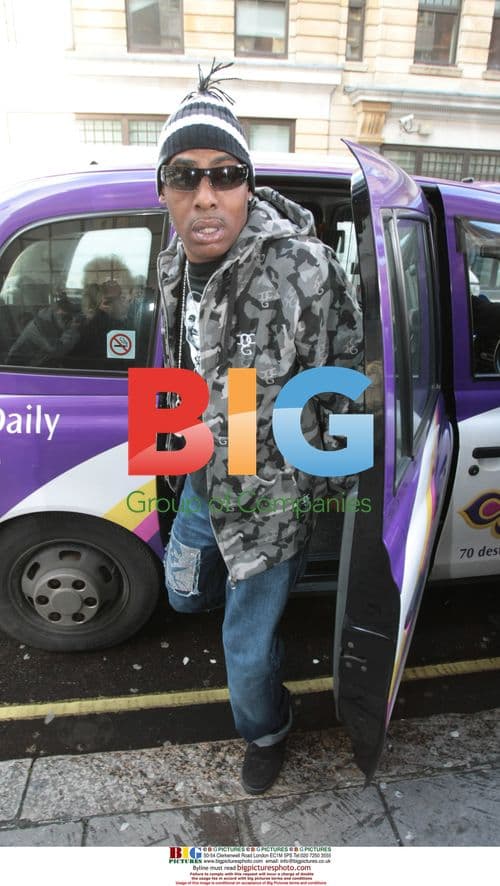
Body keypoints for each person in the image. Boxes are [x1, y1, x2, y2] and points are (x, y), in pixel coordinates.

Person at [156, 60, 363, 794]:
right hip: (201, 479)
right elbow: (177, 366)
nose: (205, 195)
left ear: (248, 182)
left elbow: (343, 381)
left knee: (243, 648)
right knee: (180, 592)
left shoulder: (305, 268)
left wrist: (333, 492)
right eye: (185, 177)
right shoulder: (173, 261)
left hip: (268, 499)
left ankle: (268, 728)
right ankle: (249, 599)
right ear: (165, 192)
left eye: (225, 174)